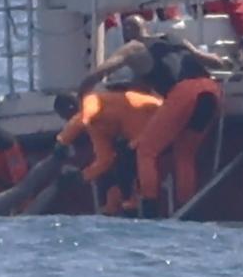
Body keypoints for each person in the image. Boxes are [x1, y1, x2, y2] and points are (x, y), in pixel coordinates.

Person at [79, 27, 234, 217]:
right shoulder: (174, 38)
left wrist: (81, 93)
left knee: (146, 150)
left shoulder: (133, 48)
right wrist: (232, 65)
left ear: (128, 36)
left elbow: (100, 72)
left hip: (183, 93)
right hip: (211, 90)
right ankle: (189, 209)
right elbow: (211, 60)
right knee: (185, 154)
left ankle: (149, 207)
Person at [54, 87, 163, 216]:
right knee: (123, 163)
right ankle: (129, 206)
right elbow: (105, 160)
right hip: (137, 133)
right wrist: (82, 177)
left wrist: (63, 140)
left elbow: (86, 116)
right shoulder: (95, 126)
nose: (67, 120)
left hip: (156, 114)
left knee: (132, 157)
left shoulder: (92, 100)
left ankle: (149, 203)